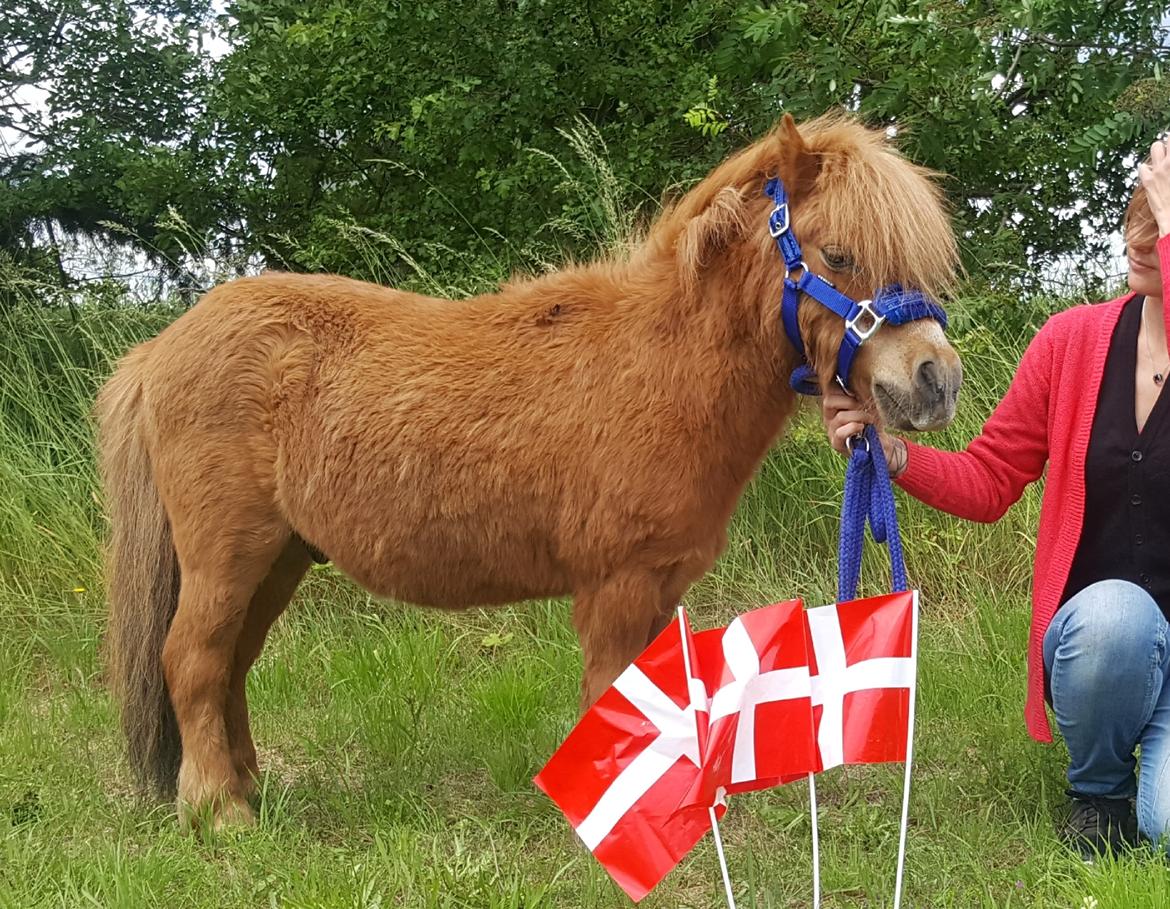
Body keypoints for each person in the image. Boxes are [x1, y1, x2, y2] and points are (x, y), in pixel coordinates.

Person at [822, 136, 1170, 860]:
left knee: (1165, 827)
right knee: (1114, 617)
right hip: (1111, 640)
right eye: (1138, 213)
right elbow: (989, 481)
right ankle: (1098, 789)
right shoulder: (1070, 342)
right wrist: (897, 454)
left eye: (1160, 225)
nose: (1139, 238)